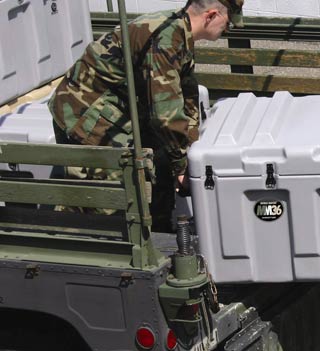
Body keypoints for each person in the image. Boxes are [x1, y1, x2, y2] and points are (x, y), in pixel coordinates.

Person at [48, 0, 244, 232]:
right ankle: (70, 241)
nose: (227, 30)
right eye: (228, 23)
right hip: (84, 111)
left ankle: (157, 232)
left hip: (115, 107)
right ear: (211, 15)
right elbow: (165, 115)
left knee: (160, 159)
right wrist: (181, 167)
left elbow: (187, 97)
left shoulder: (179, 30)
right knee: (114, 192)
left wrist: (190, 152)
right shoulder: (166, 38)